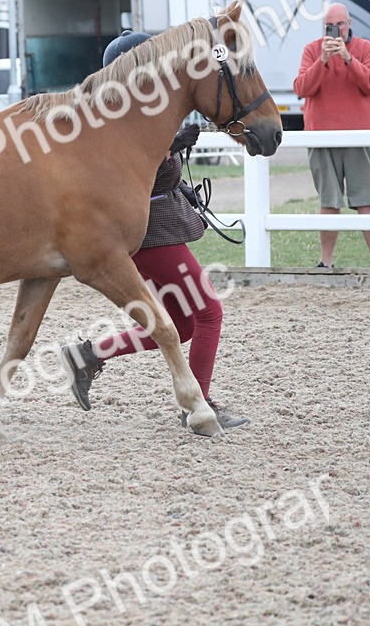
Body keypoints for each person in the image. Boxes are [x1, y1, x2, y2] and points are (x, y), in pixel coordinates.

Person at [61, 30, 248, 432]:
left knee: (180, 325)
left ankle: (89, 353)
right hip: (150, 233)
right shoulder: (123, 122)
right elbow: (132, 181)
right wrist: (170, 147)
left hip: (157, 227)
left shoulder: (136, 115)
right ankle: (199, 404)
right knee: (209, 313)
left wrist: (173, 156)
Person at [293, 3, 370, 269]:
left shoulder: (365, 48)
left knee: (368, 202)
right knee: (329, 203)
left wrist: (348, 59)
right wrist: (322, 61)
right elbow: (302, 88)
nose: (336, 31)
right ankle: (326, 263)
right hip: (321, 137)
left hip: (361, 137)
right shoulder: (312, 50)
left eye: (341, 24)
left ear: (350, 23)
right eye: (330, 26)